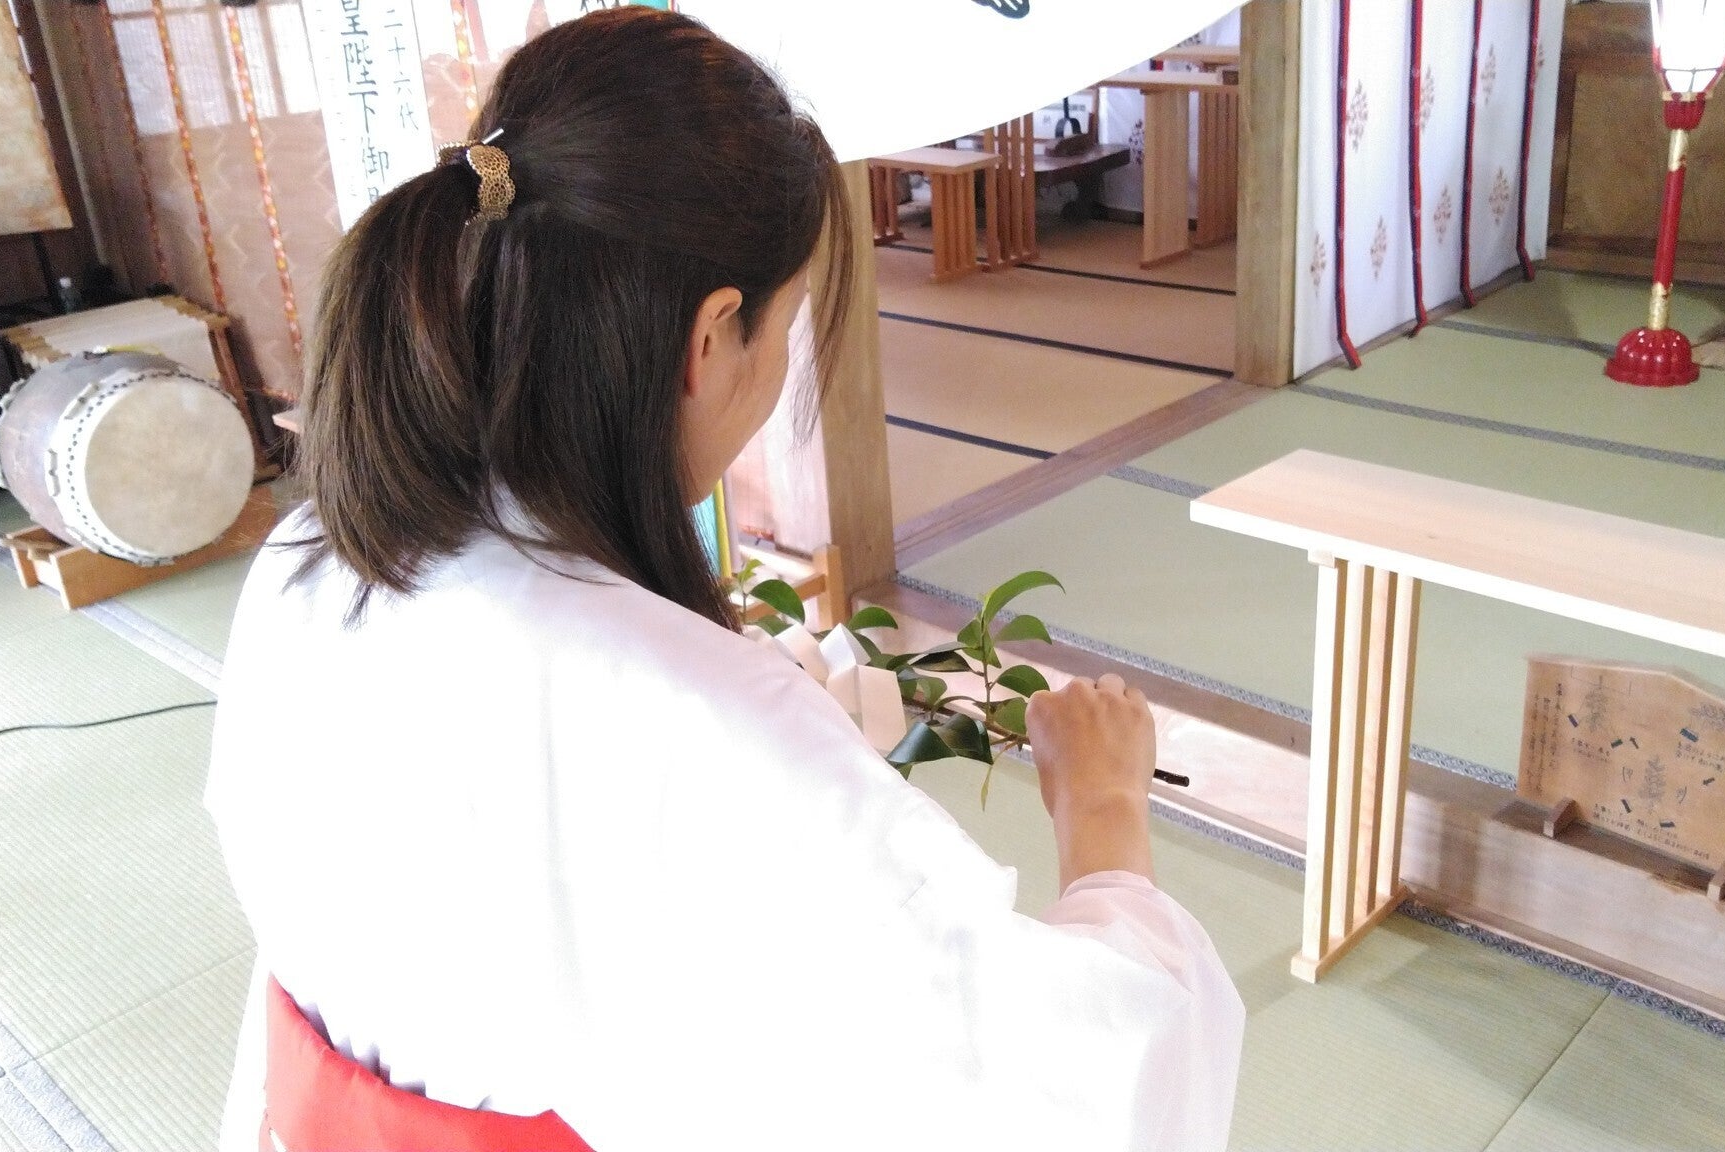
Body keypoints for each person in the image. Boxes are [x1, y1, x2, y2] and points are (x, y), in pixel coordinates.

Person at [205, 8, 1243, 1151]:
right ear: (710, 338)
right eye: (787, 322)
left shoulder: (307, 559)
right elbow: (1065, 1092)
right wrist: (1101, 807)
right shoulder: (698, 719)